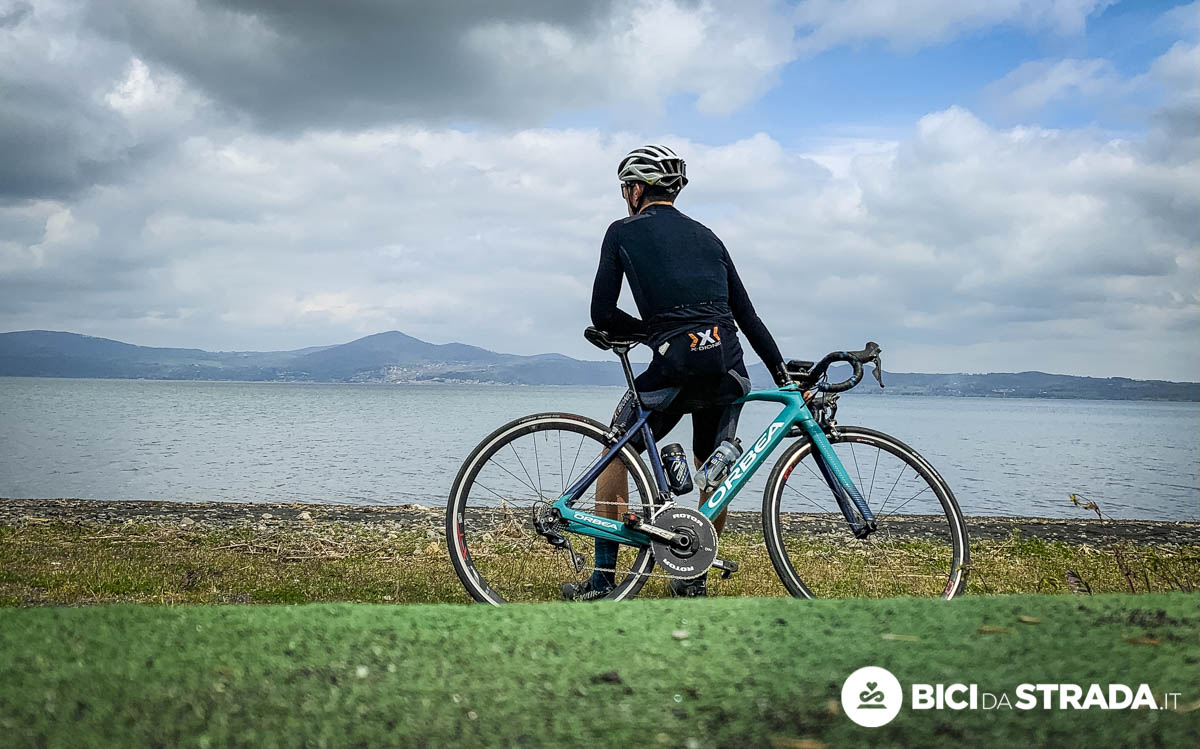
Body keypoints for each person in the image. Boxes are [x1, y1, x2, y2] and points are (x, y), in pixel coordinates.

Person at [572, 144, 791, 600]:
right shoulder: (709, 236)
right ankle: (691, 578)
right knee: (715, 471)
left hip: (673, 365)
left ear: (635, 190)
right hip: (727, 365)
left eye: (624, 188)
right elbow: (748, 317)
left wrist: (653, 332)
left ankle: (603, 580)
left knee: (617, 449)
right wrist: (783, 375)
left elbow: (602, 313)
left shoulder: (621, 232)